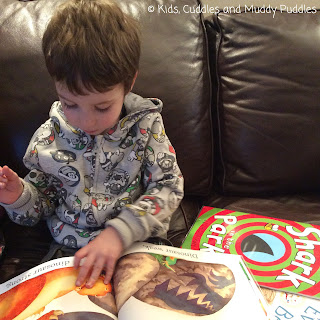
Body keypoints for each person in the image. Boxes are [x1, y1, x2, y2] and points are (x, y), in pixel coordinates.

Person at [0, 0, 183, 289]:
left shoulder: (146, 127)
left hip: (134, 244)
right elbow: (41, 207)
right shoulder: (48, 138)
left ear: (129, 82)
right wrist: (17, 196)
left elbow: (169, 186)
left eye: (101, 107)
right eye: (70, 104)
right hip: (71, 252)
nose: (87, 121)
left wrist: (119, 233)